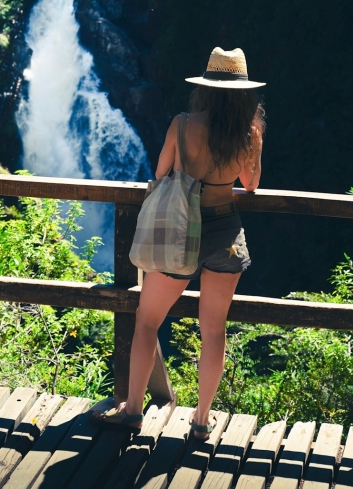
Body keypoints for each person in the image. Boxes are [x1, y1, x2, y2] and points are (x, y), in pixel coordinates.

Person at [93, 47, 265, 438]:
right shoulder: (249, 132)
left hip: (181, 233)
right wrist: (255, 137)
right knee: (214, 331)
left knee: (147, 321)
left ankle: (133, 411)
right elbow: (251, 184)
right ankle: (201, 420)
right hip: (227, 235)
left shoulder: (183, 125)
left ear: (205, 87)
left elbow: (161, 172)